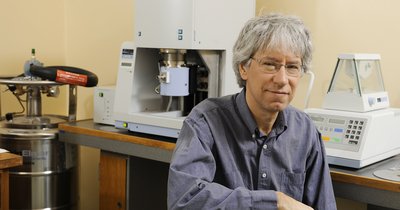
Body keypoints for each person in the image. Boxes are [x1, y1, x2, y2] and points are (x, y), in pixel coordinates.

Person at [167, 13, 337, 210]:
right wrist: (275, 201)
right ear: (243, 68)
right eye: (270, 64)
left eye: (292, 67)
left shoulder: (305, 132)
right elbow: (184, 201)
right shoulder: (205, 123)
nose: (282, 79)